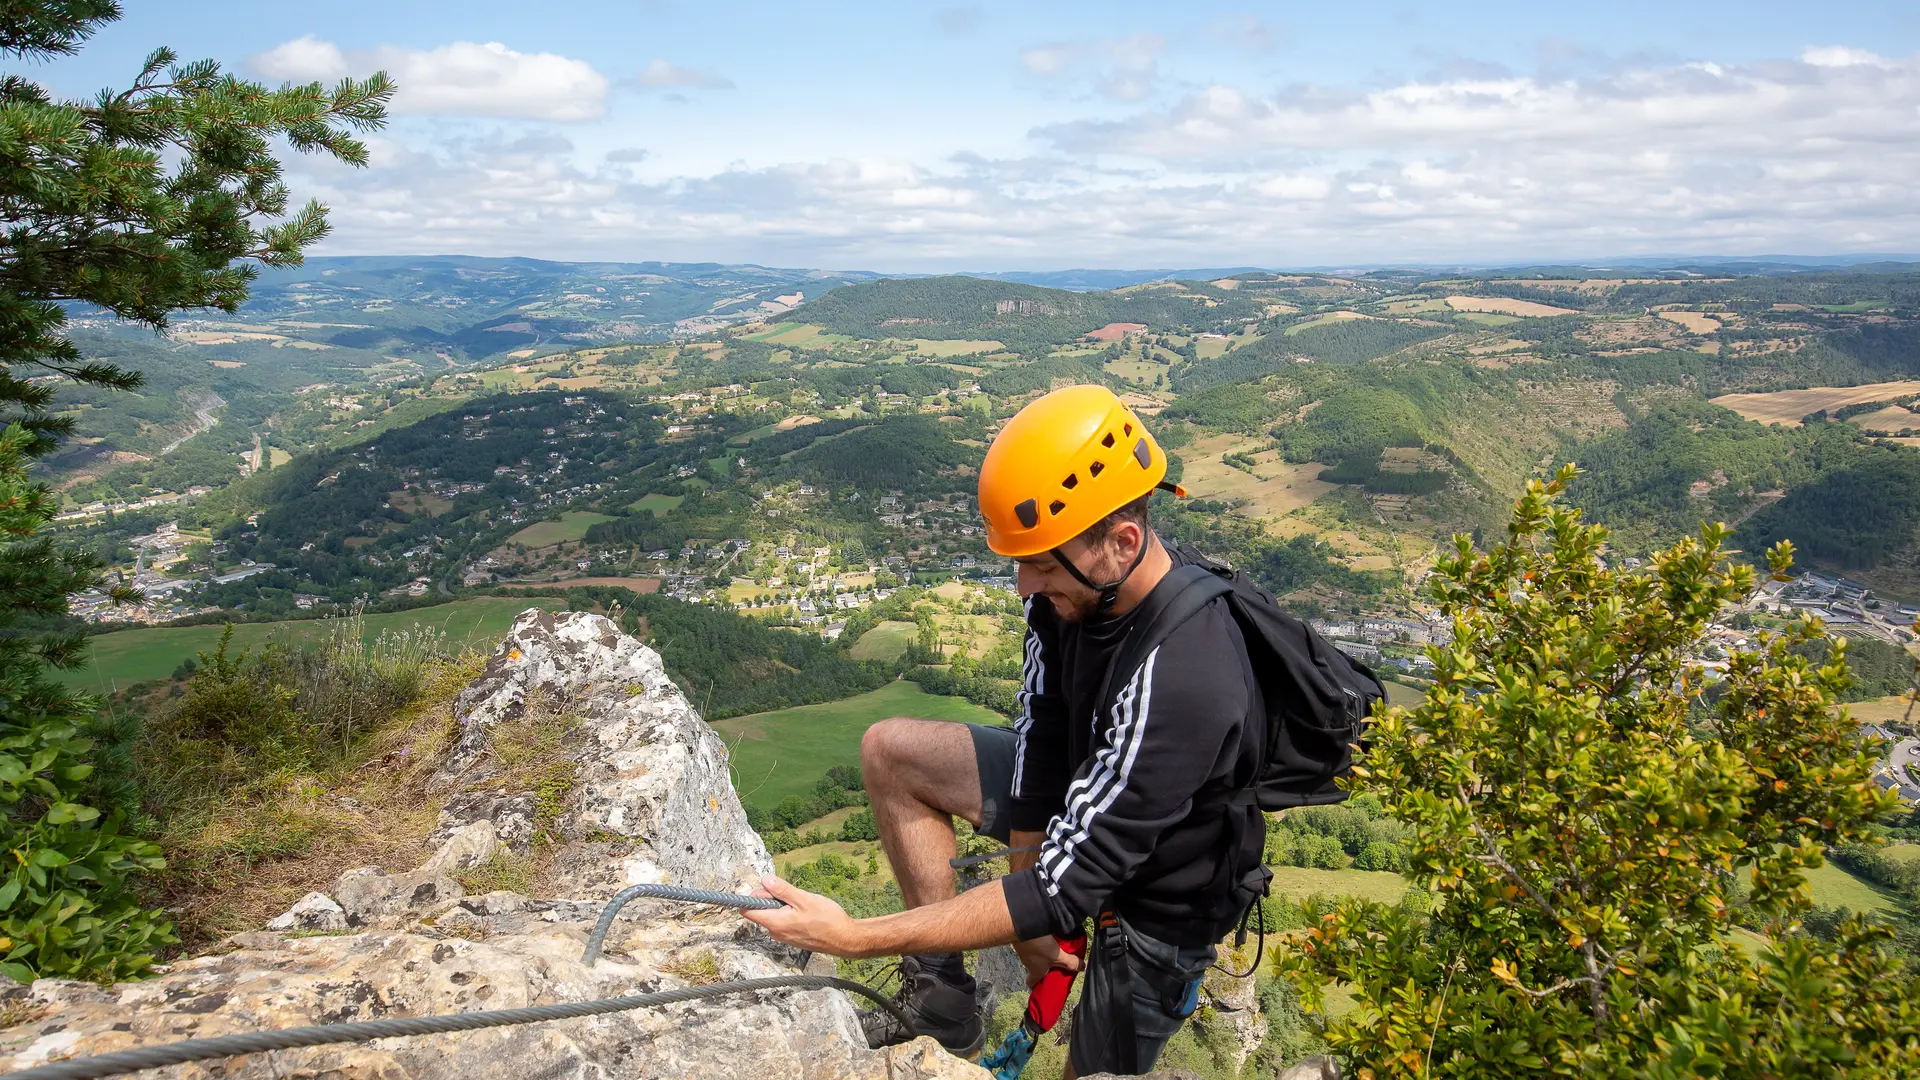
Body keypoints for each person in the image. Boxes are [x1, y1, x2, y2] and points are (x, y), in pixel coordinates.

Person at [745, 384, 1268, 1076]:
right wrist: (1027, 893)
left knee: (1095, 1068)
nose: (1023, 585)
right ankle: (942, 998)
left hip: (1164, 902)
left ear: (1123, 542)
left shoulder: (1189, 675)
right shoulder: (1073, 597)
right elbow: (1043, 738)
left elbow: (1062, 888)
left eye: (1041, 565)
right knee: (891, 753)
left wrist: (848, 937)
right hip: (1086, 798)